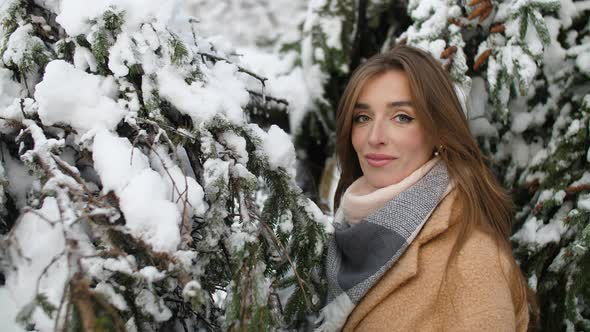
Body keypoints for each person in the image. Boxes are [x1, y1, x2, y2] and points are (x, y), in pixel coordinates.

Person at [316, 45, 537, 332]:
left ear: (439, 131)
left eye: (402, 117)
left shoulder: (471, 263)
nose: (375, 137)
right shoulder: (349, 235)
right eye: (363, 118)